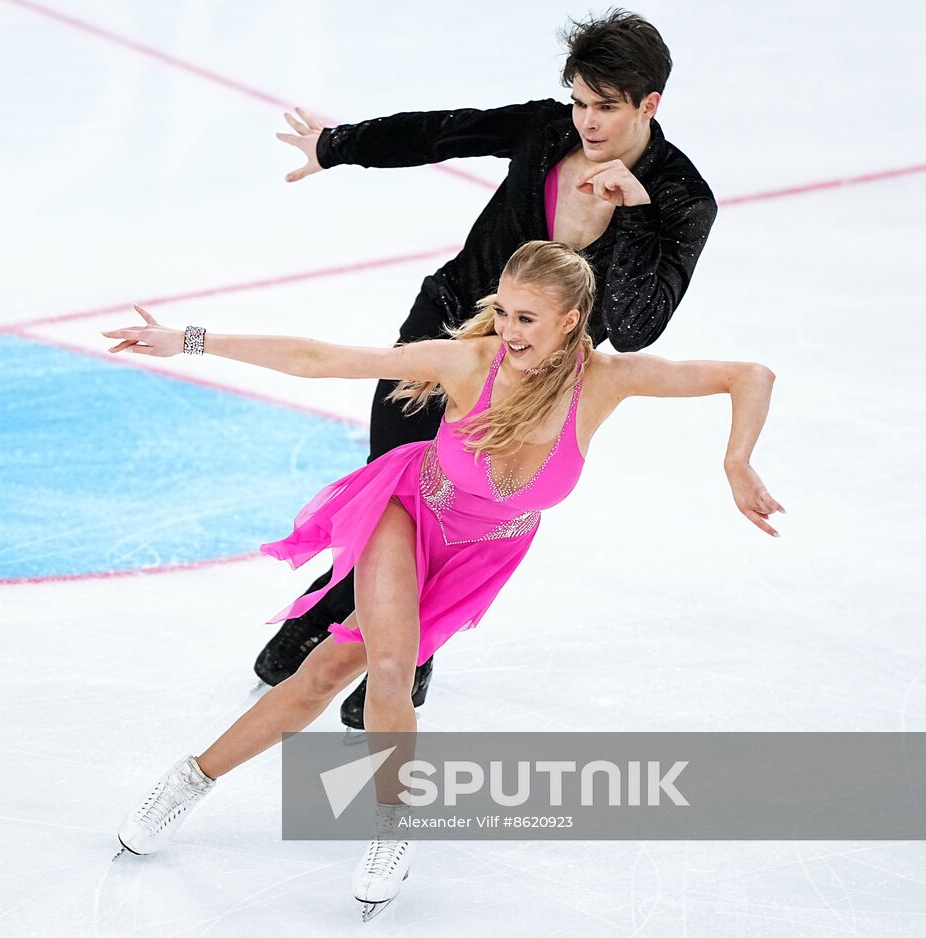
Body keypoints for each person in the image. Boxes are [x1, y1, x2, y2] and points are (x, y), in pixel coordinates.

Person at [105, 241, 780, 918]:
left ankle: (191, 776)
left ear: (572, 320)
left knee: (324, 672)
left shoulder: (604, 382)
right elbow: (322, 358)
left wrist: (737, 461)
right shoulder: (470, 362)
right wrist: (189, 340)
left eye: (528, 319)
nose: (509, 332)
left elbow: (750, 374)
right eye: (505, 313)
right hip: (408, 512)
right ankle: (394, 826)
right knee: (393, 666)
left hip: (484, 557)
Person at [262, 9, 719, 729]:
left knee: (450, 513)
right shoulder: (547, 132)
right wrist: (337, 145)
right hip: (446, 327)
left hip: (533, 381)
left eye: (605, 107)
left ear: (648, 104)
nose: (586, 120)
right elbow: (447, 129)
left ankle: (407, 648)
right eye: (578, 100)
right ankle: (347, 610)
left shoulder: (681, 200)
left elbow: (635, 328)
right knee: (397, 488)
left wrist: (632, 213)